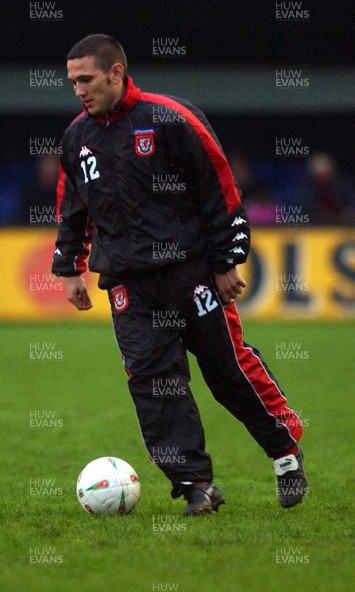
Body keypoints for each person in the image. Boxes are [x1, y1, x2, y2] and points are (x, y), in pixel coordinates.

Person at [52, 34, 307, 516]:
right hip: (128, 283)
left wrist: (227, 260)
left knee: (227, 372)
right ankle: (195, 484)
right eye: (72, 82)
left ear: (115, 73)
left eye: (86, 79)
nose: (78, 90)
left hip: (190, 274)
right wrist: (68, 268)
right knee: (153, 381)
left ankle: (285, 453)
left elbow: (219, 187)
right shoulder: (76, 138)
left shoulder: (170, 117)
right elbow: (72, 209)